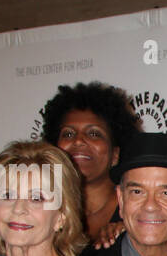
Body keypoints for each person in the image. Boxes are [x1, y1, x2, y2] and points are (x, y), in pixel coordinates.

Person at [41, 81, 140, 243]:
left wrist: (140, 231)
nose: (79, 141)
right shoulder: (41, 208)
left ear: (115, 153)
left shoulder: (139, 205)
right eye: (68, 134)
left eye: (94, 134)